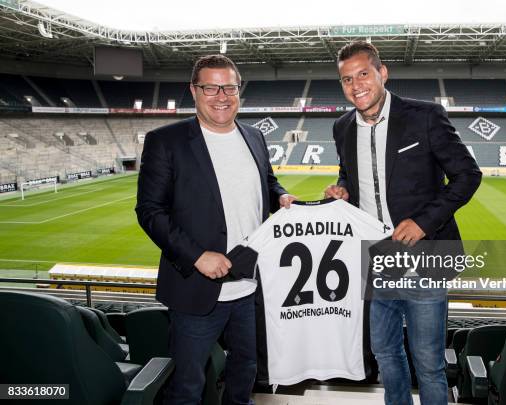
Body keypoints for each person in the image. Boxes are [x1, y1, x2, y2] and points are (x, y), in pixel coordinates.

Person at [325, 41, 482, 405]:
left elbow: (467, 175)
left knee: (428, 363)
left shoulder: (425, 116)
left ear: (382, 73)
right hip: (376, 258)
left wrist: (424, 223)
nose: (355, 85)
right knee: (385, 354)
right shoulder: (342, 126)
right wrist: (343, 190)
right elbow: (349, 173)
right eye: (346, 79)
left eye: (363, 73)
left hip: (425, 257)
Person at [136, 54, 295, 405]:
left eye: (230, 87)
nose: (221, 95)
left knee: (245, 373)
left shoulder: (254, 136)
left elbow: (267, 182)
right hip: (197, 288)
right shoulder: (167, 141)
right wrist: (196, 256)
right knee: (187, 387)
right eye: (211, 86)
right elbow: (149, 211)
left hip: (251, 286)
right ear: (194, 91)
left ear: (239, 91)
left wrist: (281, 196)